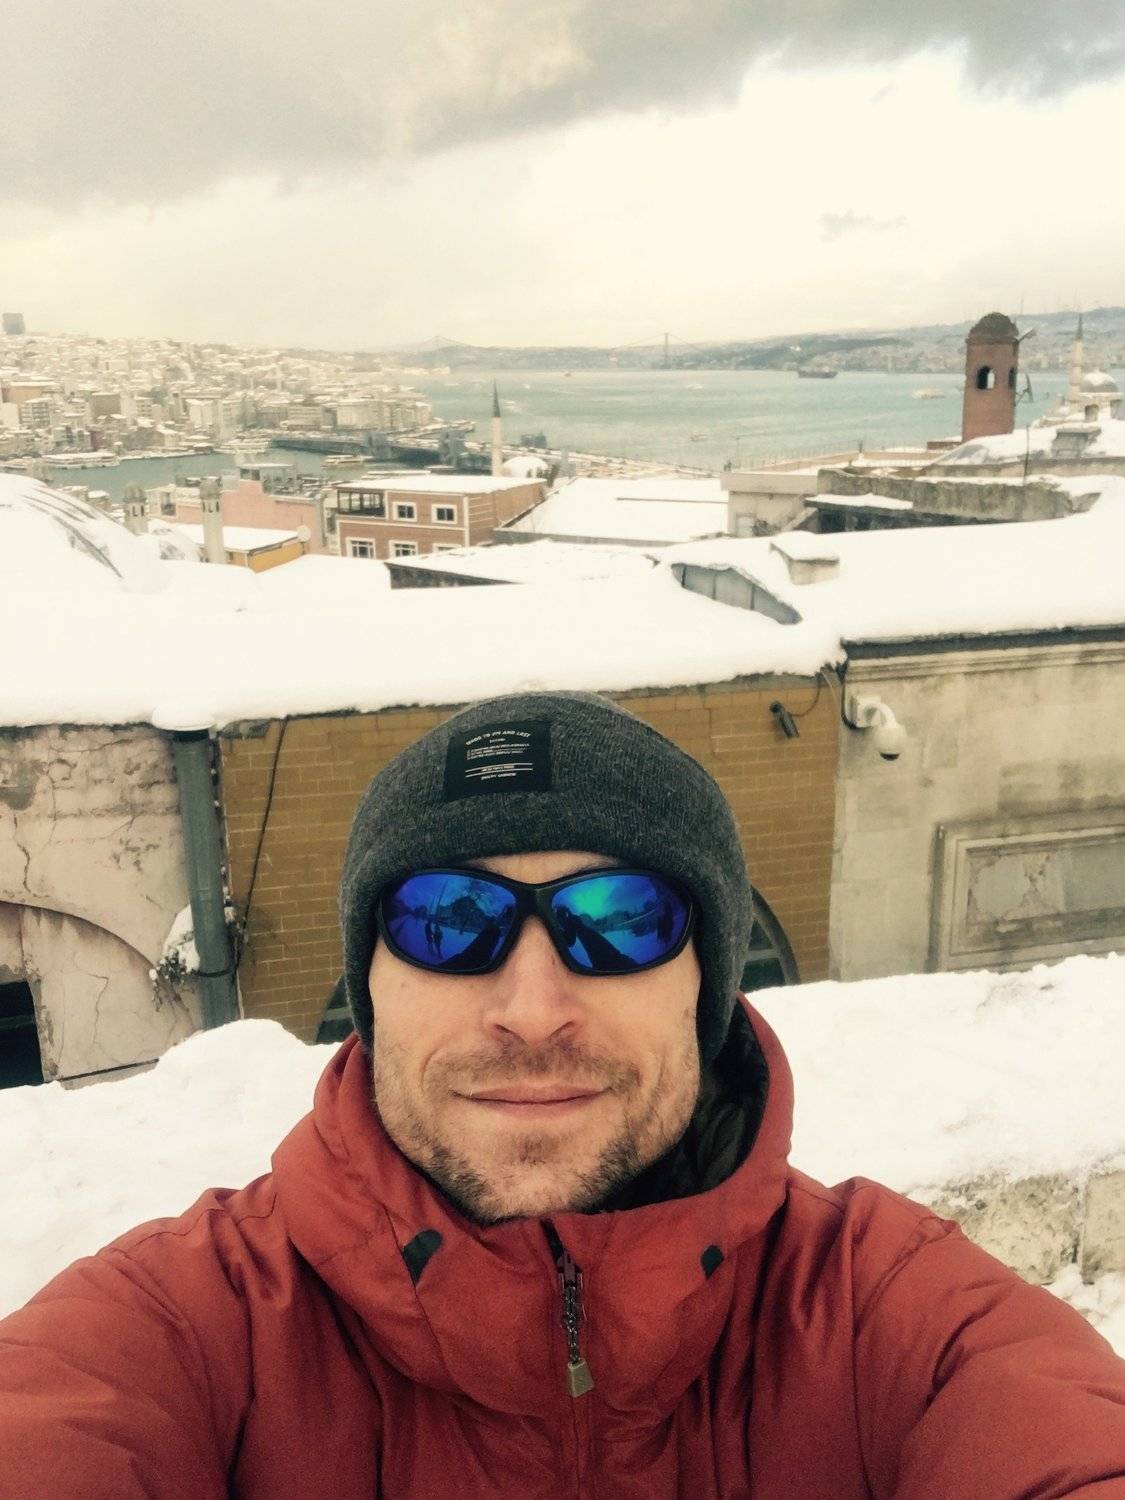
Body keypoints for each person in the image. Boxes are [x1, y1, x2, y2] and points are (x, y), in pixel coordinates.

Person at [1, 690, 1123, 1498]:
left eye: (619, 921)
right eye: (446, 922)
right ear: (370, 985)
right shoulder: (180, 1333)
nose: (532, 1011)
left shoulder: (896, 1324)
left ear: (707, 989)